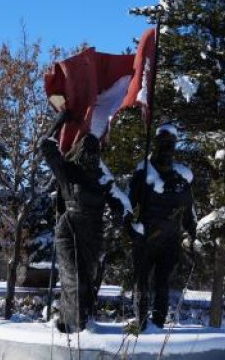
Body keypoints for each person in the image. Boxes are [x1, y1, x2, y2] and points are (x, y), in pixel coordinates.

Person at [40, 115, 132, 334]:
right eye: (87, 152)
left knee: (86, 284)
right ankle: (75, 330)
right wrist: (61, 120)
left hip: (92, 233)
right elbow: (46, 147)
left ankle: (70, 324)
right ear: (81, 153)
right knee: (75, 280)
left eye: (95, 152)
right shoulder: (68, 171)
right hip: (69, 229)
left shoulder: (102, 179)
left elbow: (120, 202)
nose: (91, 156)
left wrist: (124, 216)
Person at [129, 123, 197, 329]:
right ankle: (140, 322)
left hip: (170, 239)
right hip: (146, 237)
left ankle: (158, 323)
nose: (167, 149)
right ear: (156, 144)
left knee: (163, 283)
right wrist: (131, 228)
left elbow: (189, 210)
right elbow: (128, 205)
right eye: (163, 144)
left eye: (171, 144)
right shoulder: (143, 172)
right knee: (141, 281)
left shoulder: (182, 177)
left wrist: (193, 234)